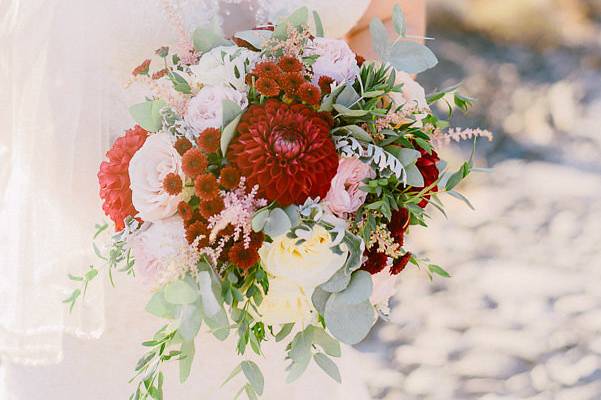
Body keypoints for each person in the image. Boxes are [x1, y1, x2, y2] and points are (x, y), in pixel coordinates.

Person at [0, 1, 425, 398]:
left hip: (289, 300)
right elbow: (39, 125)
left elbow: (389, 16)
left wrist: (349, 161)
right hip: (128, 280)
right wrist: (193, 211)